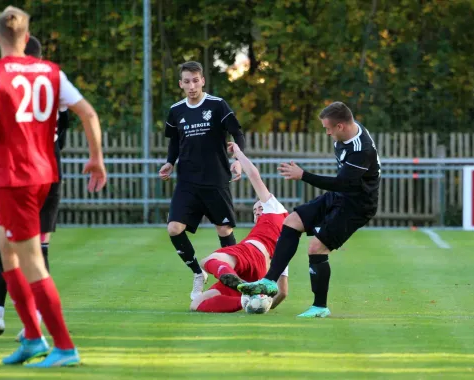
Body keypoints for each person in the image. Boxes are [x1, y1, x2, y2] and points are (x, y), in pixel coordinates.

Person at [0, 6, 106, 367]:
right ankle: (32, 337)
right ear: (26, 38)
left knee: (31, 263)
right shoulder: (51, 71)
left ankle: (63, 346)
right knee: (2, 251)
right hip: (44, 174)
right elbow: (88, 113)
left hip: (17, 178)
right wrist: (96, 158)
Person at [237, 101, 381, 318]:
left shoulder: (362, 151)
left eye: (328, 128)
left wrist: (302, 175)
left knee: (316, 248)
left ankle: (320, 307)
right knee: (292, 221)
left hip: (357, 206)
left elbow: (341, 183)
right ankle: (269, 282)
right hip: (340, 196)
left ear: (341, 126)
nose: (327, 133)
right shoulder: (347, 129)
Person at [0, 35, 71, 342]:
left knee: (1, 249)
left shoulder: (10, 81)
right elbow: (70, 125)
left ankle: (0, 315)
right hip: (50, 172)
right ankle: (38, 324)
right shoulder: (54, 84)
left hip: (18, 174)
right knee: (39, 249)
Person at [158, 61, 246, 300]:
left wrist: (238, 159)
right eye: (186, 81)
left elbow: (237, 132)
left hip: (216, 178)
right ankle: (198, 273)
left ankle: (234, 285)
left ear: (203, 80)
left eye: (195, 80)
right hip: (187, 181)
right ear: (181, 84)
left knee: (224, 228)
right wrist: (170, 162)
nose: (192, 85)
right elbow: (175, 141)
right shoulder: (176, 110)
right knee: (174, 228)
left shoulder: (217, 105)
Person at [190, 142, 289, 313]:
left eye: (260, 207)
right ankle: (243, 299)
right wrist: (265, 304)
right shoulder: (285, 238)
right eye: (254, 210)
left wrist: (238, 153)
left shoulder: (276, 210)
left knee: (207, 262)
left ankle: (239, 284)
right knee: (196, 304)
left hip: (250, 253)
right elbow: (283, 292)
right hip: (256, 273)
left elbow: (254, 176)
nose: (258, 210)